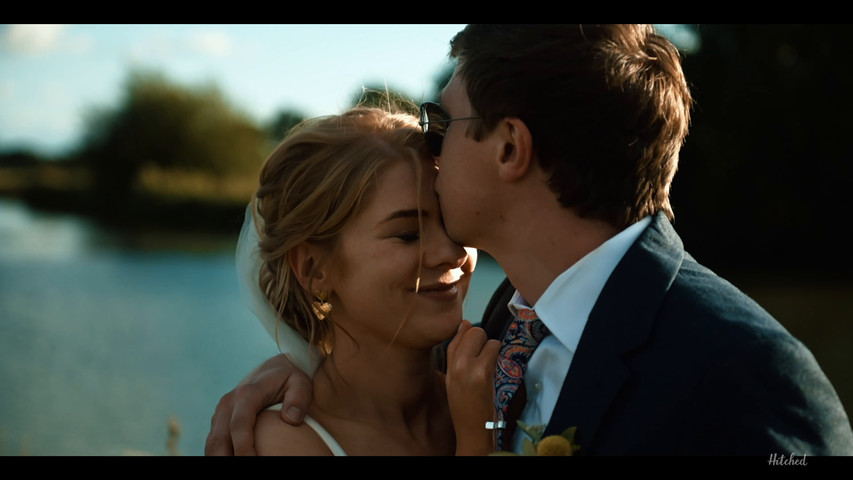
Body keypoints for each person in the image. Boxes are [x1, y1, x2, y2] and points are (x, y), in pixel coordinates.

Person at [207, 24, 853, 456]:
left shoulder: (752, 379)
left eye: (442, 122)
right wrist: (302, 366)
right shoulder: (502, 325)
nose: (434, 146)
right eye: (406, 230)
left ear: (510, 147)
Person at [230, 104, 500, 455]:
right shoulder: (285, 440)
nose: (452, 252)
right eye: (407, 234)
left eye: (452, 222)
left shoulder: (481, 390)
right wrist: (479, 439)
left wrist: (487, 421)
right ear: (314, 269)